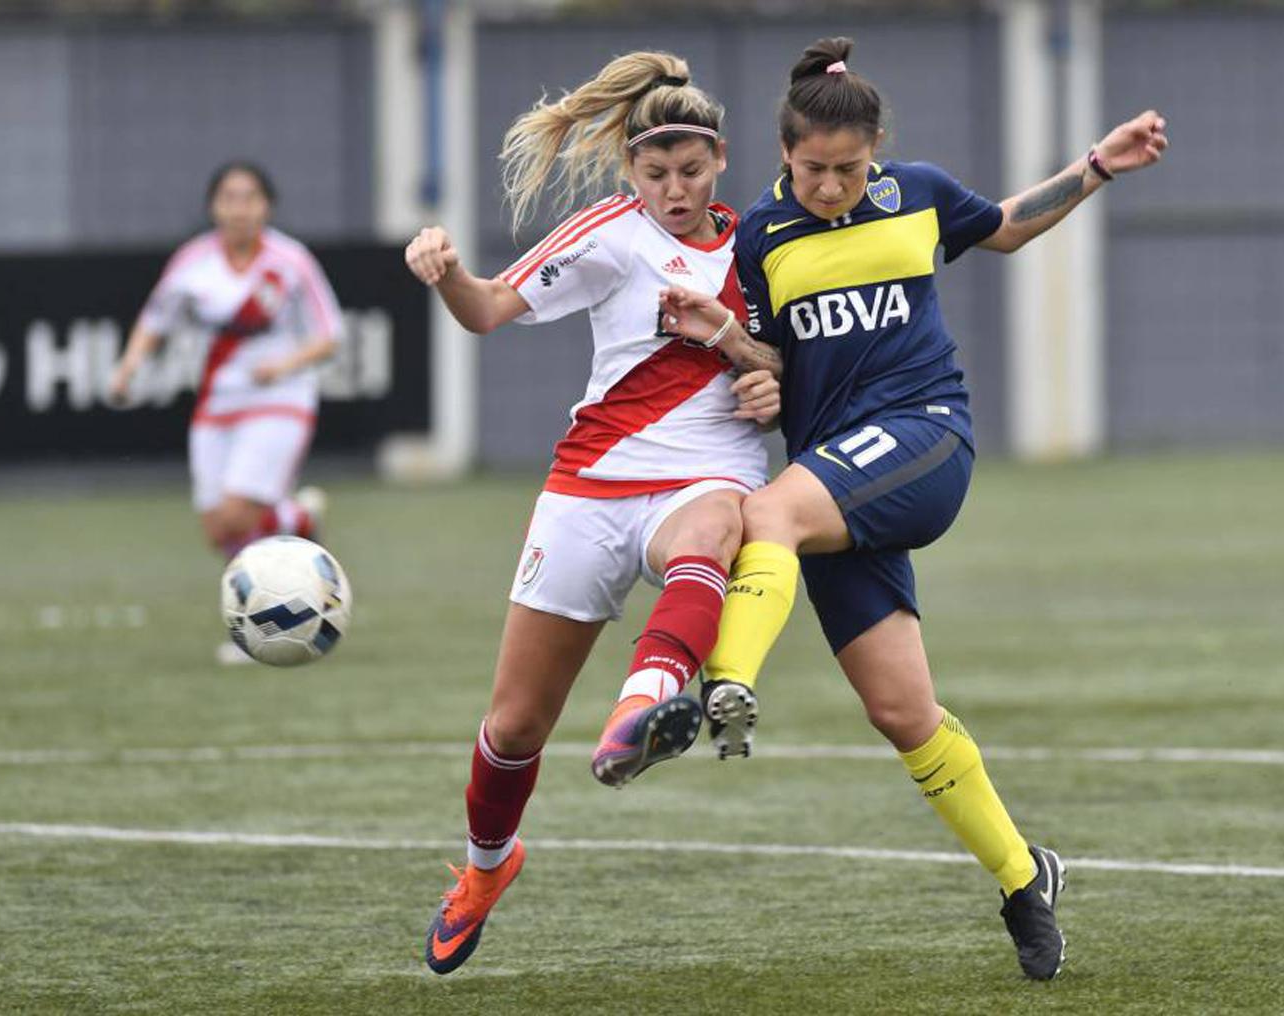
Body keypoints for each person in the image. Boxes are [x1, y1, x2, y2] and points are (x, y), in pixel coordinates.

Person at [657, 37, 1167, 980]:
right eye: (814, 169)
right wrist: (742, 360)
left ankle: (720, 683)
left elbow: (1007, 225)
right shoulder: (759, 237)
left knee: (764, 515)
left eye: (849, 169)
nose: (832, 186)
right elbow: (772, 365)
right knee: (902, 712)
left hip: (925, 435)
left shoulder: (919, 192)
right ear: (783, 155)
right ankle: (1026, 877)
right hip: (834, 478)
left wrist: (1097, 165)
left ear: (878, 149)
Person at [401, 51, 783, 976]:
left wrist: (763, 372)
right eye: (655, 174)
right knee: (515, 727)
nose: (675, 190)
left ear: (721, 159)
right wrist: (445, 270)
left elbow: (794, 362)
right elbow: (488, 309)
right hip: (589, 487)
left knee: (715, 530)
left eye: (691, 171)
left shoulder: (766, 240)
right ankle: (487, 870)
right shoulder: (610, 233)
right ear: (630, 172)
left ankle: (641, 710)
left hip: (705, 472)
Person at [108, 162, 343, 665]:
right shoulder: (193, 262)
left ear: (267, 205)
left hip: (281, 399)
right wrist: (128, 367)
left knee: (241, 513)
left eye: (250, 197)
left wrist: (283, 364)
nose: (240, 208)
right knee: (219, 530)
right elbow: (155, 319)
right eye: (229, 198)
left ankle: (272, 622)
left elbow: (329, 335)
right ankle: (297, 516)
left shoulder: (290, 260)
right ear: (214, 206)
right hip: (217, 403)